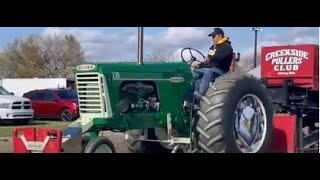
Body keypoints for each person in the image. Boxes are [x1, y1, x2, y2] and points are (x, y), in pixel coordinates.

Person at [185, 28, 234, 104]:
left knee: (207, 71)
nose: (212, 38)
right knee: (195, 72)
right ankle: (189, 96)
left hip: (221, 70)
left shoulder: (227, 46)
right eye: (212, 37)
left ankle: (200, 94)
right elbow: (208, 61)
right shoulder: (212, 47)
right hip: (211, 68)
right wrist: (199, 65)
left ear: (220, 36)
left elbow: (222, 57)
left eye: (214, 36)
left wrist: (210, 58)